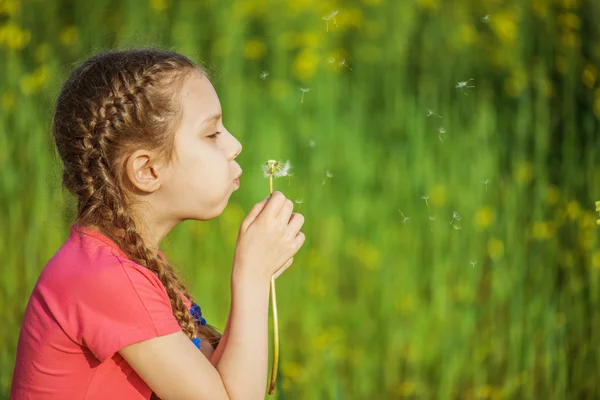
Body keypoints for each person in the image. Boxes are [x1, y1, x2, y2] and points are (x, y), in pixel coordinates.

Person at [10, 49, 305, 400]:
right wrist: (252, 279)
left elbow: (219, 381)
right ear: (148, 171)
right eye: (212, 134)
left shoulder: (129, 261)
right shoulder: (106, 279)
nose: (235, 146)